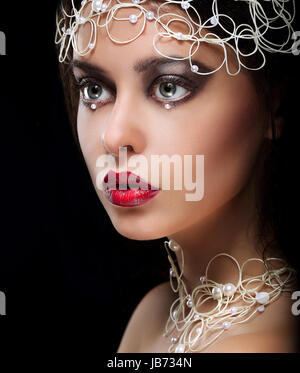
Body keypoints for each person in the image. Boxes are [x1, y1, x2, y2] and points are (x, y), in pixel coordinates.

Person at [55, 0, 300, 352]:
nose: (114, 136)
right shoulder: (156, 314)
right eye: (94, 89)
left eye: (169, 87)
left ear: (275, 105)